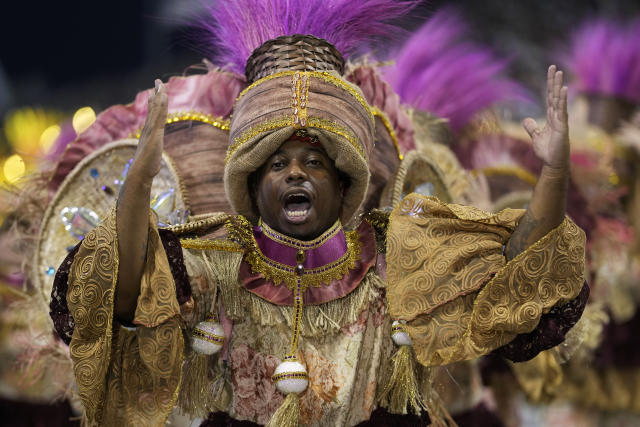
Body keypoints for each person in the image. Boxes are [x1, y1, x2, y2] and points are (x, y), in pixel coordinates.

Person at [49, 1, 587, 425]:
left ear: (346, 180)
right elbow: (116, 300)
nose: (296, 174)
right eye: (277, 163)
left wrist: (555, 175)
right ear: (252, 186)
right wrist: (138, 183)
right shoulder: (210, 264)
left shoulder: (397, 258)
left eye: (314, 161)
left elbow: (519, 275)